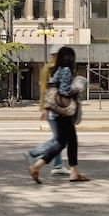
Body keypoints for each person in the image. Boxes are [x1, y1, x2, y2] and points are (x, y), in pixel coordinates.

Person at [27, 46, 89, 184]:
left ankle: (72, 172)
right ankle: (39, 166)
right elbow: (65, 91)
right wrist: (78, 88)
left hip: (57, 113)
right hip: (63, 113)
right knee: (67, 142)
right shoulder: (66, 70)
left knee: (64, 142)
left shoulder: (57, 70)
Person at [24, 45, 69, 176]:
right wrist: (44, 108)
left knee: (58, 139)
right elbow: (45, 90)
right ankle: (33, 153)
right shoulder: (49, 69)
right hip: (53, 109)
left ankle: (58, 165)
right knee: (59, 140)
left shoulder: (55, 69)